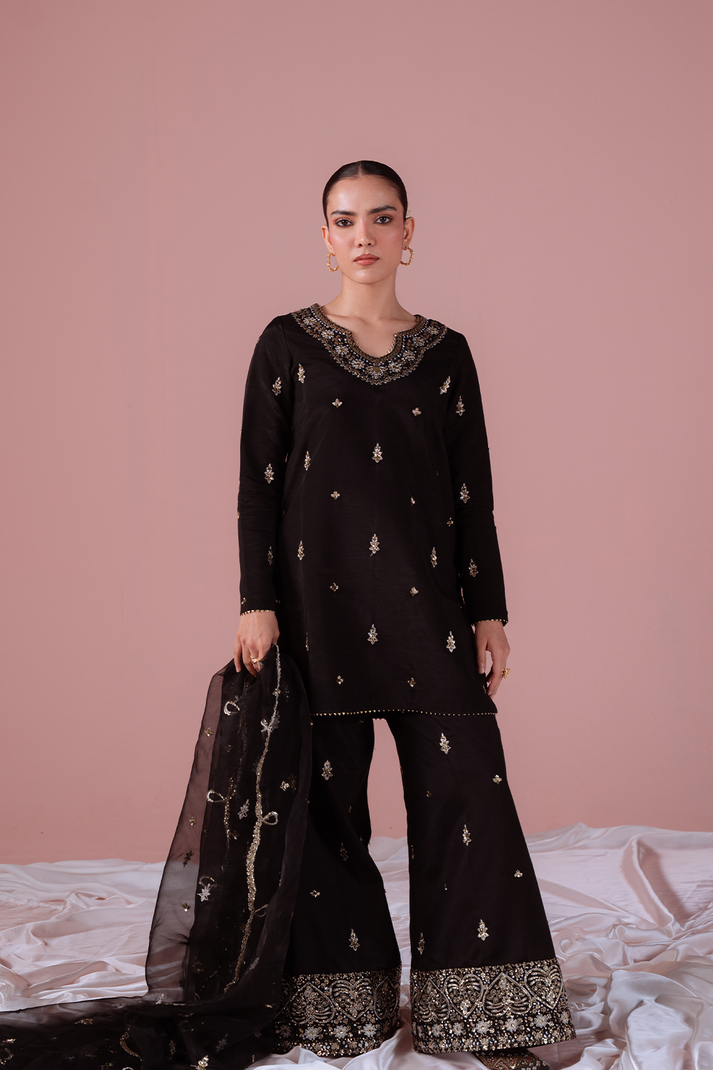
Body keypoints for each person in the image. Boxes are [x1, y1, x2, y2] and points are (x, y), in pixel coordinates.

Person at [232, 160, 576, 1070]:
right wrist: (256, 602)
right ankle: (338, 1010)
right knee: (322, 808)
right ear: (325, 236)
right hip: (315, 609)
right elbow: (258, 487)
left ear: (407, 232)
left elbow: (473, 495)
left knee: (468, 794)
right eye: (346, 220)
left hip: (425, 607)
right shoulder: (285, 345)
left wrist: (488, 612)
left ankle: (484, 1014)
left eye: (381, 219)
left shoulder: (445, 352)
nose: (364, 237)